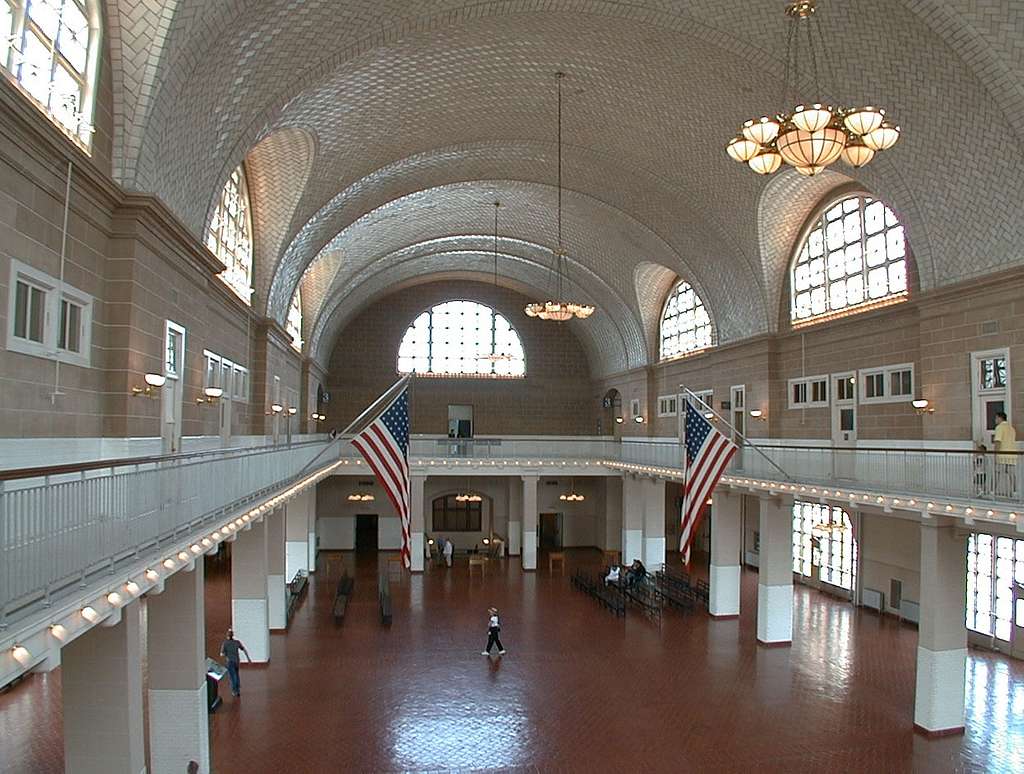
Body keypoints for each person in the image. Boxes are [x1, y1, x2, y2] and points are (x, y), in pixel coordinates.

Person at [220, 629, 251, 697]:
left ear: (227, 636)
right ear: (232, 635)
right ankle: (238, 689)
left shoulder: (225, 643)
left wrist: (226, 655)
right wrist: (248, 658)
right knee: (236, 674)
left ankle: (234, 690)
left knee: (232, 676)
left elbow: (221, 654)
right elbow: (244, 649)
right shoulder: (237, 642)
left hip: (230, 662)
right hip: (236, 661)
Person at [994, 412, 1018, 496]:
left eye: (996, 418)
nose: (995, 420)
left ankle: (992, 491)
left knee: (997, 474)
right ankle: (1015, 492)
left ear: (1000, 418)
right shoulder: (1011, 428)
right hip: (1012, 455)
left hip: (1002, 455)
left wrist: (995, 454)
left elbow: (998, 441)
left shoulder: (1000, 428)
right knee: (1012, 475)